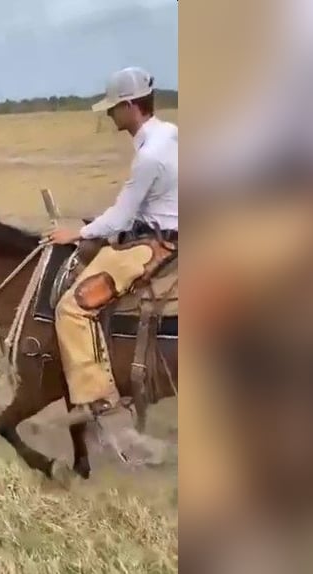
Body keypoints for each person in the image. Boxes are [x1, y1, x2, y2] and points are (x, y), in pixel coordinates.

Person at [47, 66, 178, 422]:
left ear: (133, 106)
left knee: (71, 309)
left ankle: (103, 404)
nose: (110, 113)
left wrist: (77, 233)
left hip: (157, 243)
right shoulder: (172, 135)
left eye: (114, 107)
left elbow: (120, 218)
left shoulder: (149, 157)